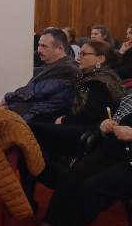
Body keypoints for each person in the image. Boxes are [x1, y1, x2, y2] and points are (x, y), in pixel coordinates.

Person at [11, 93, 132, 226]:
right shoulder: (128, 97)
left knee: (92, 186)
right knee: (72, 176)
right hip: (112, 150)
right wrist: (104, 125)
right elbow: (105, 120)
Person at [23, 40, 125, 205]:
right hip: (80, 124)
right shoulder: (88, 77)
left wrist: (65, 119)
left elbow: (91, 114)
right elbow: (76, 104)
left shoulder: (100, 82)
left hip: (90, 130)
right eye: (79, 53)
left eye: (84, 54)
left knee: (29, 131)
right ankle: (41, 180)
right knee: (32, 125)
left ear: (100, 59)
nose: (79, 57)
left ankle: (53, 180)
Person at [1, 28, 79, 123]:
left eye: (44, 46)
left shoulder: (67, 70)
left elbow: (35, 92)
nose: (39, 50)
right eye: (39, 45)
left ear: (60, 49)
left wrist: (8, 98)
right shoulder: (49, 67)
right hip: (34, 114)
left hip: (43, 119)